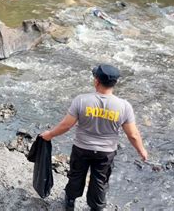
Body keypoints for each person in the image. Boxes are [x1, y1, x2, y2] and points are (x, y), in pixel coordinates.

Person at [40, 64, 148, 211]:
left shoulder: (81, 100)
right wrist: (141, 151)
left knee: (76, 175)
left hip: (82, 148)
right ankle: (96, 207)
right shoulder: (124, 106)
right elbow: (133, 135)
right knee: (100, 180)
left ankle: (70, 201)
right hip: (106, 152)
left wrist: (49, 134)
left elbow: (66, 125)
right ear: (115, 83)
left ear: (96, 81)